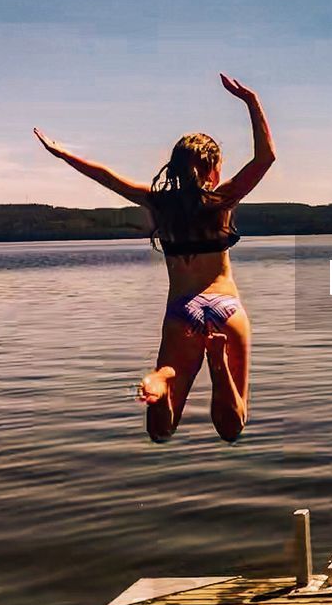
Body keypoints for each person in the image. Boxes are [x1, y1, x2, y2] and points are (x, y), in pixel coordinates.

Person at [33, 73, 275, 443]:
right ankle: (217, 363)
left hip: (182, 310)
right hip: (226, 305)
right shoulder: (222, 200)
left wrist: (63, 153)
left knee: (160, 430)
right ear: (214, 169)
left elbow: (107, 177)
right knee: (232, 427)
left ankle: (163, 377)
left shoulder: (159, 203)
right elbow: (265, 158)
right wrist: (251, 101)